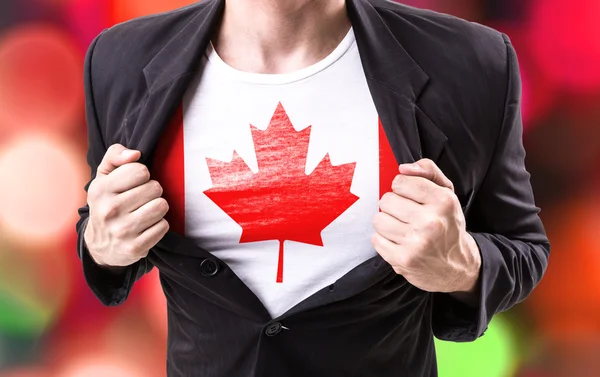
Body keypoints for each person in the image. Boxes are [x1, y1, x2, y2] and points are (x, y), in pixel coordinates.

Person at [75, 0, 550, 376]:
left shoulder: (469, 61)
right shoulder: (120, 59)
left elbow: (523, 246)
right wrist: (100, 243)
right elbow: (102, 229)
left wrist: (461, 265)